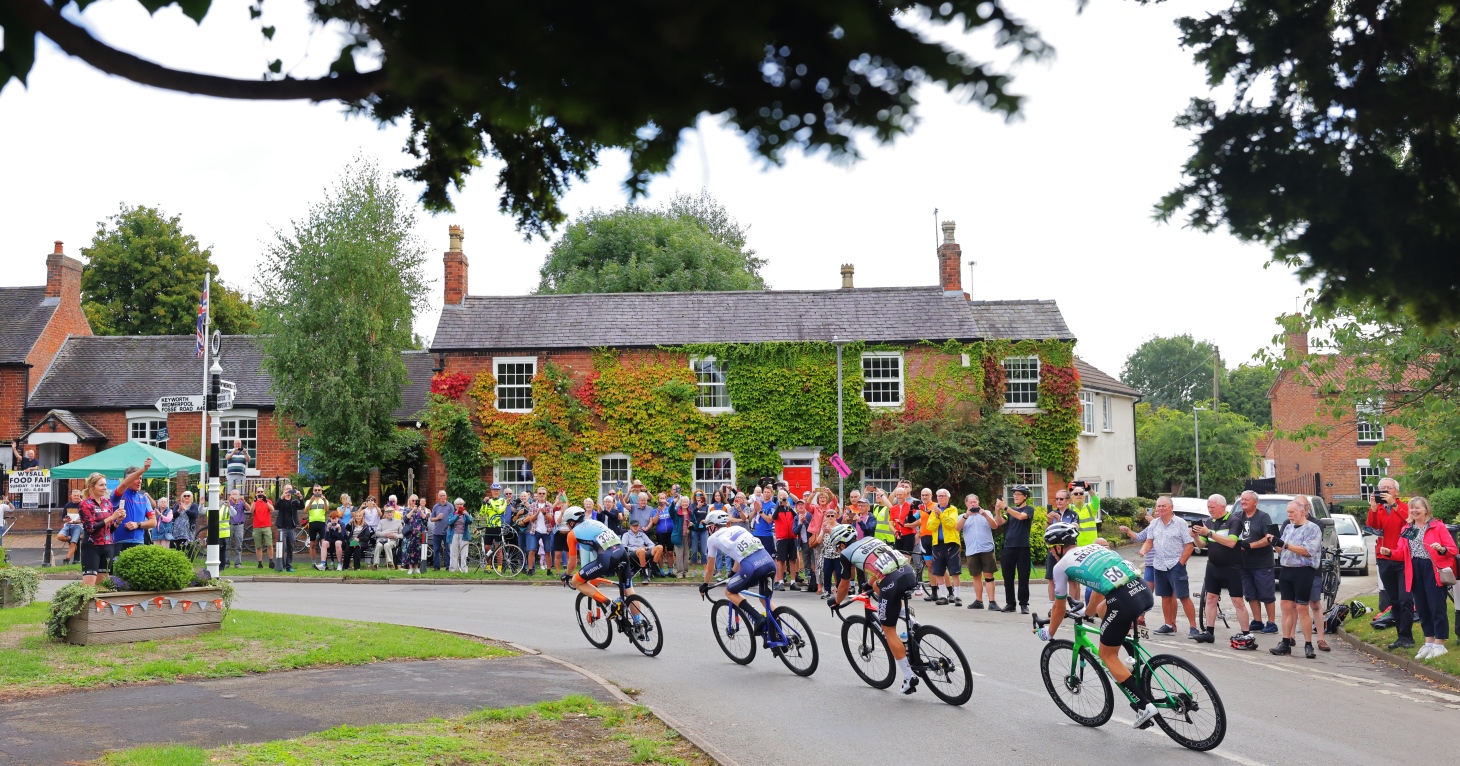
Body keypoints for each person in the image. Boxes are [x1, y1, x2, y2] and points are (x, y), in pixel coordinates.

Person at [1036, 522, 1160, 729]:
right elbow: (1099, 587)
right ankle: (1130, 655)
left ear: (1058, 547)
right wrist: (1088, 611)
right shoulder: (1095, 548)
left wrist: (1049, 632)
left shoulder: (1061, 566)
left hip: (1123, 601)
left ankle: (1143, 706)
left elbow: (1058, 608)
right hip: (1143, 591)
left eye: (1051, 548)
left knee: (1107, 655)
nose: (1051, 553)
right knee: (1104, 609)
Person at [824, 523, 922, 695]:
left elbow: (845, 585)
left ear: (840, 544)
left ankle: (909, 676)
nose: (838, 550)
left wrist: (837, 601)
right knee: (878, 586)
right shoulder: (870, 539)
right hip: (907, 572)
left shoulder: (846, 554)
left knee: (888, 629)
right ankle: (911, 621)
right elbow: (881, 566)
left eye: (837, 547)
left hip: (892, 581)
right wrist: (866, 584)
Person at [1390, 496, 1455, 660]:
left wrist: (1441, 548)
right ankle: (1429, 642)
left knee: (1436, 606)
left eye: (1417, 507)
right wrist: (1389, 553)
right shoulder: (1409, 529)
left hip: (1431, 569)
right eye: (1412, 508)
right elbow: (1401, 552)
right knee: (1422, 607)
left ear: (1426, 509)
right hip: (1414, 568)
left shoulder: (1437, 527)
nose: (1414, 511)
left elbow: (1452, 549)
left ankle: (1439, 644)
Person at [1190, 494, 1255, 647]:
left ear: (1222, 506)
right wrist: (1195, 537)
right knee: (1211, 598)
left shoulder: (1234, 521)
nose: (1210, 510)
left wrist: (1209, 533)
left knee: (1237, 601)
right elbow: (1201, 545)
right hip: (1213, 566)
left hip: (1232, 567)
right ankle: (1209, 632)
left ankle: (1246, 634)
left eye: (1212, 507)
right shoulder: (1209, 522)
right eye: (1208, 507)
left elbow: (1232, 542)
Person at [699, 509, 779, 632]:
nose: (708, 530)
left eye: (708, 527)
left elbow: (710, 568)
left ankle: (758, 618)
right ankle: (779, 633)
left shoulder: (713, 539)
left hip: (753, 567)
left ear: (713, 526)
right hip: (769, 563)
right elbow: (739, 556)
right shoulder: (739, 529)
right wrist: (733, 573)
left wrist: (705, 584)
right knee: (765, 599)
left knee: (729, 591)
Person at [563, 507, 639, 620]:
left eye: (568, 523)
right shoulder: (595, 522)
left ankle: (610, 604)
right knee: (628, 589)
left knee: (576, 581)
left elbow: (572, 564)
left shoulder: (572, 534)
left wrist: (567, 574)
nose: (568, 526)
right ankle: (639, 624)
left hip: (606, 558)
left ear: (572, 522)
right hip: (622, 552)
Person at [1270, 499, 1323, 658]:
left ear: (1302, 511)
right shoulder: (1288, 527)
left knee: (1302, 607)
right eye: (1288, 513)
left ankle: (1308, 644)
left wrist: (1284, 544)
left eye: (1292, 512)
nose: (1289, 515)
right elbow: (1282, 551)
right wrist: (1274, 543)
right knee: (1286, 607)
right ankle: (1285, 642)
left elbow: (1309, 551)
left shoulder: (1312, 528)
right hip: (1287, 570)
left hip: (1303, 570)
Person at [1367, 477, 1415, 647]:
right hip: (1384, 558)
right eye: (1382, 488)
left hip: (1403, 558)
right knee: (1394, 600)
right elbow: (1373, 527)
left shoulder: (1404, 507)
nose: (1386, 491)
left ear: (1396, 491)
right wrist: (1373, 508)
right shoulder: (1378, 508)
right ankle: (1400, 636)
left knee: (1405, 599)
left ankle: (1407, 636)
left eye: (1389, 488)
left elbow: (1409, 522)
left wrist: (1394, 505)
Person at [1143, 496, 1199, 637]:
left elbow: (1189, 545)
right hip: (1159, 565)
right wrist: (1144, 550)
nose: (1160, 508)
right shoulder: (1154, 524)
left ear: (1171, 508)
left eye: (1164, 506)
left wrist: (1180, 563)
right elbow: (1149, 541)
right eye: (1158, 506)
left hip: (1175, 564)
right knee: (1165, 597)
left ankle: (1193, 627)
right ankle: (1168, 624)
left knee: (1183, 596)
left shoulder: (1180, 523)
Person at [1233, 490, 1279, 634]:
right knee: (1250, 594)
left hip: (1262, 563)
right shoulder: (1238, 516)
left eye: (1247, 500)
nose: (1243, 502)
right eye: (1242, 500)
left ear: (1255, 502)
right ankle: (1257, 621)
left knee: (1266, 594)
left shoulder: (1263, 517)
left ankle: (1271, 623)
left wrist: (1251, 545)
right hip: (1244, 563)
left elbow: (1269, 537)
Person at [78, 470, 127, 585]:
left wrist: (118, 521)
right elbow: (91, 528)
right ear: (91, 487)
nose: (104, 488)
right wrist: (112, 517)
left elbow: (109, 530)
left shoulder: (107, 503)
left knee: (102, 587)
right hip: (91, 547)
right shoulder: (85, 504)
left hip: (108, 546)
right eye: (101, 485)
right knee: (89, 587)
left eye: (105, 485)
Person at [958, 494, 1000, 610]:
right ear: (966, 504)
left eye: (974, 502)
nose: (972, 504)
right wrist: (966, 516)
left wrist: (985, 515)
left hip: (986, 548)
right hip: (972, 549)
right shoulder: (962, 516)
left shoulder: (986, 513)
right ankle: (978, 600)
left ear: (978, 502)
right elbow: (957, 528)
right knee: (976, 575)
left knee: (988, 575)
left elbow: (995, 526)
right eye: (970, 502)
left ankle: (992, 601)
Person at [998, 485, 1034, 614]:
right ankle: (1010, 603)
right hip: (1008, 547)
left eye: (1018, 494)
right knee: (1008, 577)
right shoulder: (1010, 511)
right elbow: (999, 522)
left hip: (1023, 547)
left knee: (1023, 576)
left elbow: (1021, 516)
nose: (1015, 496)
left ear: (1025, 496)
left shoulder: (1029, 509)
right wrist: (998, 510)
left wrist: (1005, 507)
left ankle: (1024, 604)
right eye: (1014, 494)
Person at [110, 459, 156, 558]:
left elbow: (153, 522)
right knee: (117, 573)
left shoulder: (144, 498)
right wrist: (144, 468)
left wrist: (138, 524)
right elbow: (124, 485)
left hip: (139, 542)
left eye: (141, 478)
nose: (139, 481)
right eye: (136, 478)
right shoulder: (119, 494)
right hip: (119, 542)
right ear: (128, 479)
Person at [925, 488, 963, 606]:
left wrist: (940, 515)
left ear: (948, 498)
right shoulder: (933, 511)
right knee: (938, 571)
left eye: (943, 496)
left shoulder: (953, 509)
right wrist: (937, 516)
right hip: (937, 544)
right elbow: (930, 527)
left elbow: (951, 523)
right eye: (939, 496)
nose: (941, 498)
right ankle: (943, 596)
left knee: (955, 571)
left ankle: (957, 596)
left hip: (951, 543)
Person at [772, 492, 798, 590]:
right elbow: (774, 518)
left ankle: (792, 582)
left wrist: (789, 507)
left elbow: (796, 517)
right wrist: (780, 506)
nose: (784, 500)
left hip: (792, 537)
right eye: (782, 498)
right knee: (781, 560)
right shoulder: (776, 508)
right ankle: (780, 581)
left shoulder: (790, 508)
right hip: (781, 537)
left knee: (792, 560)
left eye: (785, 498)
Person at [274, 485, 300, 572]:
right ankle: (281, 566)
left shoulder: (294, 500)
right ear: (284, 490)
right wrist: (282, 497)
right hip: (282, 527)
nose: (288, 490)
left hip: (291, 527)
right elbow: (276, 506)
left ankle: (289, 566)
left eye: (290, 489)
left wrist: (300, 496)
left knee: (290, 547)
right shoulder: (281, 500)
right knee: (282, 547)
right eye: (286, 489)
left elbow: (301, 506)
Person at [401, 497, 428, 574]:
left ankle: (416, 567)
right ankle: (410, 568)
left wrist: (420, 511)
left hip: (418, 533)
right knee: (409, 550)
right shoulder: (406, 509)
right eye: (413, 500)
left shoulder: (421, 509)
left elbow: (425, 519)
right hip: (409, 533)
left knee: (417, 550)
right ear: (409, 501)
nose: (414, 502)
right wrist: (413, 510)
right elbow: (405, 519)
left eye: (416, 500)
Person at [56, 488, 84, 564]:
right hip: (68, 525)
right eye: (75, 495)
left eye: (78, 495)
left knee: (73, 543)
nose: (76, 497)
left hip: (78, 526)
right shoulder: (67, 505)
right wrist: (66, 520)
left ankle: (67, 559)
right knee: (59, 536)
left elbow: (85, 519)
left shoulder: (83, 505)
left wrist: (76, 521)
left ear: (80, 496)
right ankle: (70, 539)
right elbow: (63, 517)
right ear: (71, 496)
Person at [447, 498, 474, 573]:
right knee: (453, 553)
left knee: (464, 554)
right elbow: (449, 522)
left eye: (461, 504)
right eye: (458, 504)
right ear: (455, 506)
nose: (459, 506)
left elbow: (471, 521)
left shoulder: (465, 514)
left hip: (464, 535)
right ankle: (453, 569)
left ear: (463, 505)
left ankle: (464, 570)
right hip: (453, 535)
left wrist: (467, 515)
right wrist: (457, 515)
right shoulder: (452, 514)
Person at [304, 486, 330, 564]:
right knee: (312, 544)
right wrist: (311, 501)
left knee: (323, 542)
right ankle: (313, 563)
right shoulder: (308, 501)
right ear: (313, 491)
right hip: (312, 523)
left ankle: (323, 562)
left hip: (321, 522)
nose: (317, 491)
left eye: (319, 490)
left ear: (321, 491)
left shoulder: (325, 500)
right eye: (316, 490)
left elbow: (326, 510)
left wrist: (325, 501)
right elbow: (305, 511)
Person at [373, 504, 403, 568]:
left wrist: (395, 536)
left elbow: (402, 534)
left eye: (391, 512)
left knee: (387, 545)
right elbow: (377, 533)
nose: (389, 514)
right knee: (378, 545)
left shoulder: (398, 522)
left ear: (393, 513)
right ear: (385, 514)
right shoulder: (381, 521)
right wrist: (385, 534)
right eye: (388, 512)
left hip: (392, 540)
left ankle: (390, 563)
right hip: (381, 539)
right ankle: (375, 564)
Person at [430, 490, 452, 572]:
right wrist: (437, 518)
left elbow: (453, 518)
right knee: (436, 550)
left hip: (447, 532)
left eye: (444, 495)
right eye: (441, 496)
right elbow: (431, 519)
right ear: (438, 497)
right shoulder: (436, 507)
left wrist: (450, 526)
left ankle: (448, 566)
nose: (442, 497)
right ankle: (436, 567)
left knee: (448, 550)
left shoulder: (450, 506)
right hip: (437, 532)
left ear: (446, 496)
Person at [251, 489, 274, 569]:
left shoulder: (268, 501)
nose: (260, 493)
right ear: (256, 493)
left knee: (269, 545)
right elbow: (251, 510)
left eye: (261, 492)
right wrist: (254, 501)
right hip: (257, 527)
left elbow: (272, 509)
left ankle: (271, 561)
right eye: (258, 492)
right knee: (258, 546)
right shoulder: (255, 502)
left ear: (264, 493)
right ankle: (260, 563)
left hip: (266, 526)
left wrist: (265, 501)